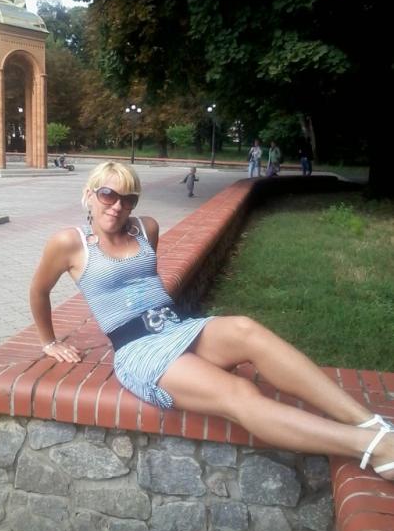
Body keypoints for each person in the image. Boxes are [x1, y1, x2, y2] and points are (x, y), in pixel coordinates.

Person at [30, 161, 394, 481]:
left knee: (246, 329)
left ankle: (368, 421)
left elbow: (145, 283)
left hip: (178, 327)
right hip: (140, 351)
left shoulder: (146, 228)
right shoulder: (69, 243)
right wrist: (49, 342)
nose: (118, 205)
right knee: (238, 393)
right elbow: (39, 290)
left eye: (129, 199)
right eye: (108, 194)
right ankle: (371, 446)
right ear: (90, 194)